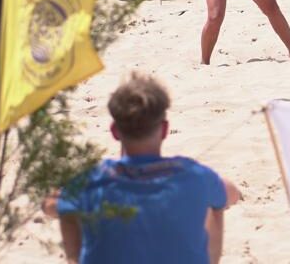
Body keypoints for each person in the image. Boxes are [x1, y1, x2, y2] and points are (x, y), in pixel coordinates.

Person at [46, 72, 241, 264]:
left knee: (69, 210)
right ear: (164, 130)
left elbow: (49, 205)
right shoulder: (193, 175)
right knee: (215, 205)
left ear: (114, 131)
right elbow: (232, 193)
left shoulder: (93, 180)